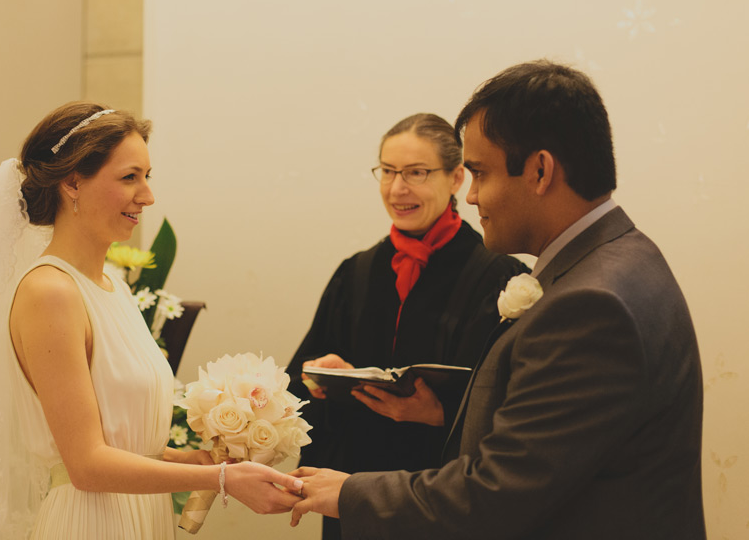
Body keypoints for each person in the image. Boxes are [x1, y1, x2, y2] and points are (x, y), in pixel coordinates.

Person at [289, 61, 706, 539]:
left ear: (540, 170)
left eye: (479, 173)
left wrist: (347, 494)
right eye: (387, 171)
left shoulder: (590, 304)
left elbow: (496, 494)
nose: (470, 197)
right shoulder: (628, 256)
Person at [0, 102, 302, 539]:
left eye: (147, 177)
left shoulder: (113, 283)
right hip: (91, 520)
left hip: (137, 515)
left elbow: (118, 440)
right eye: (130, 177)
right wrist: (220, 481)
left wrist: (187, 459)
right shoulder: (50, 291)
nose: (147, 196)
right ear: (73, 182)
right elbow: (87, 465)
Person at [286, 113, 527, 539]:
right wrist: (321, 378)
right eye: (388, 172)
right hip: (355, 494)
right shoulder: (355, 273)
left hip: (444, 497)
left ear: (456, 178)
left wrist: (443, 414)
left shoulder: (498, 277)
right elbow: (296, 379)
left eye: (416, 173)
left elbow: (517, 403)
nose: (398, 188)